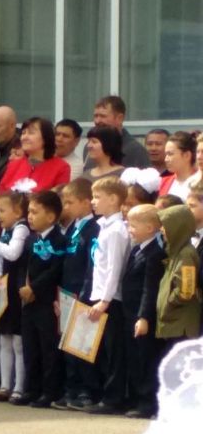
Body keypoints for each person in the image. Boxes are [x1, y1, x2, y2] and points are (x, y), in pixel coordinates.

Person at [12, 191, 65, 407]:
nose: (30, 217)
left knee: (47, 347)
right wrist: (22, 286)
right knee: (30, 346)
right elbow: (21, 266)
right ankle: (31, 389)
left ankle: (49, 391)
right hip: (28, 301)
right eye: (29, 212)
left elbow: (55, 269)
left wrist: (34, 287)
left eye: (35, 212)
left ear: (51, 217)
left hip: (46, 300)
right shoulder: (31, 238)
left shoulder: (59, 239)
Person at [85, 176, 131, 415]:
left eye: (97, 197)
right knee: (102, 349)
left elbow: (114, 268)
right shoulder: (105, 227)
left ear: (113, 199)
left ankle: (114, 398)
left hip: (111, 299)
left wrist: (105, 300)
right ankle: (105, 394)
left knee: (114, 351)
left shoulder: (116, 231)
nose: (93, 201)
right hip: (101, 295)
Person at [54, 178, 100, 411]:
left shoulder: (94, 229)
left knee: (82, 345)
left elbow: (91, 264)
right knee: (68, 345)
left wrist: (85, 294)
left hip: (83, 294)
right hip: (66, 293)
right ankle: (71, 389)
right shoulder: (73, 227)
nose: (66, 207)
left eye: (70, 202)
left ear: (86, 202)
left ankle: (86, 391)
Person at [122, 205, 165, 419]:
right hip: (129, 312)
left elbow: (150, 288)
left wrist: (144, 317)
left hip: (141, 315)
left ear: (149, 228)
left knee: (145, 359)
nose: (129, 229)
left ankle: (147, 402)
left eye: (133, 225)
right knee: (134, 357)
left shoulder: (155, 253)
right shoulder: (137, 249)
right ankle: (136, 397)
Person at [0, 191, 29, 403]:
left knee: (18, 342)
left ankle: (19, 386)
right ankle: (5, 384)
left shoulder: (21, 229)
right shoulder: (6, 230)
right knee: (4, 338)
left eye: (3, 210)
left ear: (18, 212)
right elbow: (0, 259)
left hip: (15, 288)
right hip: (3, 287)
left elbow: (13, 253)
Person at [156, 205, 201, 354]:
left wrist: (168, 303)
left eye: (165, 226)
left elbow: (186, 290)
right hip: (174, 323)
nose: (162, 230)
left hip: (181, 326)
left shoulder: (186, 254)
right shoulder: (176, 251)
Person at [0, 117, 70, 193]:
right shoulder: (14, 165)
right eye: (23, 133)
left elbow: (59, 198)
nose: (24, 137)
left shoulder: (61, 168)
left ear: (46, 137)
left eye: (31, 133)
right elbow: (1, 194)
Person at [84, 95, 150, 169]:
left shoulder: (135, 151)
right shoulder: (89, 147)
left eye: (103, 116)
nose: (97, 121)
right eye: (96, 116)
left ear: (120, 118)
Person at [158, 132, 197, 202]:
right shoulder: (163, 182)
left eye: (170, 154)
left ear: (187, 155)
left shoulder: (199, 181)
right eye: (166, 154)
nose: (166, 159)